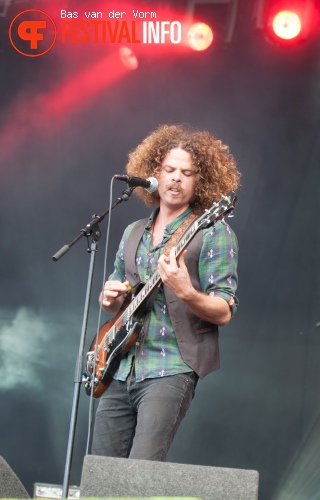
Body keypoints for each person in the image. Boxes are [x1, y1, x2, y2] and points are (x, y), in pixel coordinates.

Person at [91, 124, 240, 461]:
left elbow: (224, 311)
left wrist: (186, 291)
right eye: (169, 170)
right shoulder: (132, 233)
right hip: (119, 365)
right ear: (153, 173)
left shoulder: (214, 231)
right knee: (101, 473)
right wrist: (110, 300)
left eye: (186, 173)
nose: (176, 178)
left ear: (200, 181)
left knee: (141, 476)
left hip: (170, 367)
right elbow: (117, 301)